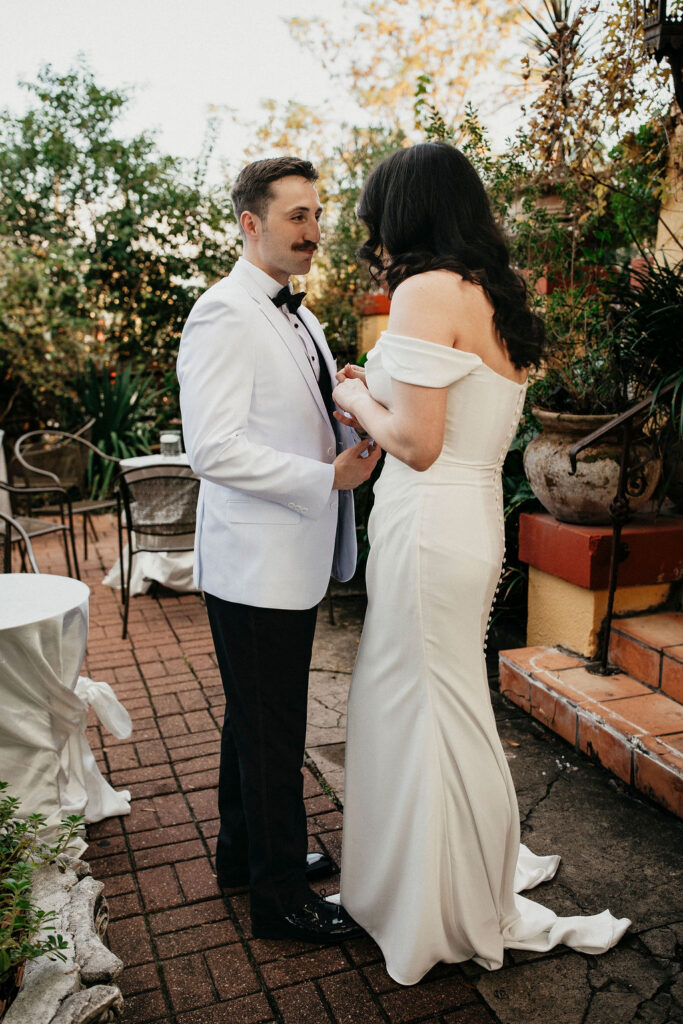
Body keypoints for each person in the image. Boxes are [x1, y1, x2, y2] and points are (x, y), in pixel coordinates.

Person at [330, 141, 630, 985]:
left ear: (406, 211)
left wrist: (355, 396)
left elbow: (417, 446)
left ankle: (440, 902)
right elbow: (452, 428)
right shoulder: (493, 293)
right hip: (467, 520)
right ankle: (445, 877)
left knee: (425, 702)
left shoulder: (426, 291)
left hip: (427, 521)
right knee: (444, 700)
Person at [177, 156, 380, 943]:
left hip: (284, 559)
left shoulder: (298, 313)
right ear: (250, 223)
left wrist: (348, 402)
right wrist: (323, 477)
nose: (314, 231)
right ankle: (280, 898)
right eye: (297, 216)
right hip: (255, 565)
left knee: (251, 720)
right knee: (272, 732)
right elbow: (213, 449)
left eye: (317, 214)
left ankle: (241, 855)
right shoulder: (225, 312)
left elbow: (292, 412)